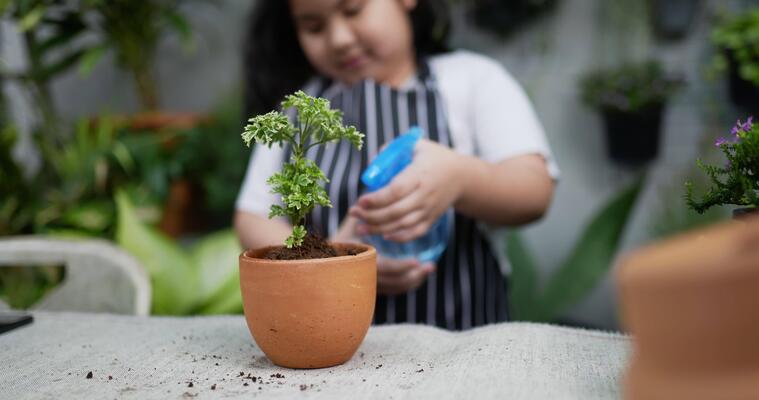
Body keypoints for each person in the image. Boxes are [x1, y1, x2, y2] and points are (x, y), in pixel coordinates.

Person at [235, 0, 559, 330]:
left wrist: (462, 179)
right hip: (336, 345)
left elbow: (534, 190)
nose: (340, 39)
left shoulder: (472, 81)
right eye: (314, 27)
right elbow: (252, 216)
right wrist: (328, 259)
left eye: (353, 10)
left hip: (464, 343)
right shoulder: (297, 112)